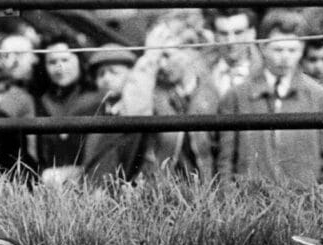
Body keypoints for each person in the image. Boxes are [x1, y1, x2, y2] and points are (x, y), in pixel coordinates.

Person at [217, 9, 323, 186]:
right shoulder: (236, 96)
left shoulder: (321, 97)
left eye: (292, 49)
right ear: (262, 46)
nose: (285, 57)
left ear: (302, 48)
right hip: (249, 201)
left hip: (304, 199)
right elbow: (225, 162)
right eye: (278, 49)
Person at [114, 14, 220, 180]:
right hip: (158, 189)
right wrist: (149, 59)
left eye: (167, 55)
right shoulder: (149, 88)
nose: (161, 65)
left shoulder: (208, 88)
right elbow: (133, 116)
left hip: (205, 189)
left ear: (189, 51)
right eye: (158, 57)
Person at [35, 35, 101, 185]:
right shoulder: (41, 102)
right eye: (52, 62)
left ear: (79, 60)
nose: (59, 67)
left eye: (65, 60)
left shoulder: (97, 99)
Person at [81, 44, 138, 182]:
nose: (106, 79)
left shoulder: (139, 111)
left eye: (114, 72)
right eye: (101, 74)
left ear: (131, 74)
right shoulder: (92, 113)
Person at [204, 8, 262, 98]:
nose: (231, 41)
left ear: (252, 33)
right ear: (215, 36)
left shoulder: (265, 70)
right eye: (223, 34)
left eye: (238, 33)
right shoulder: (201, 70)